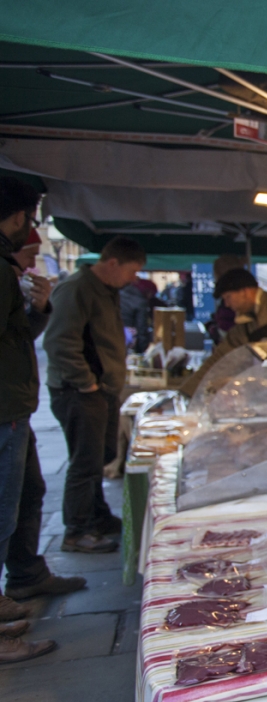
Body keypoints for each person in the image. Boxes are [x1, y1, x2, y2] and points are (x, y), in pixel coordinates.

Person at [0, 180, 86, 663]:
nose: (30, 231)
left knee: (23, 497)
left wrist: (35, 308)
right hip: (6, 410)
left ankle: (26, 577)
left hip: (14, 408)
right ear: (17, 218)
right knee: (2, 510)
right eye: (30, 221)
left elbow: (15, 337)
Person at [44, 236, 146, 554]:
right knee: (84, 461)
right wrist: (86, 382)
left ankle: (97, 516)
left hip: (102, 390)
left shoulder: (107, 291)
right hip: (79, 392)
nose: (134, 279)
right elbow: (60, 341)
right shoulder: (76, 289)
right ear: (112, 263)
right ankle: (76, 530)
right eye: (132, 271)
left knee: (100, 456)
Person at [179, 268, 267, 397]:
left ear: (245, 292)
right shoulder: (243, 328)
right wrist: (187, 392)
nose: (227, 304)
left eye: (228, 297)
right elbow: (220, 361)